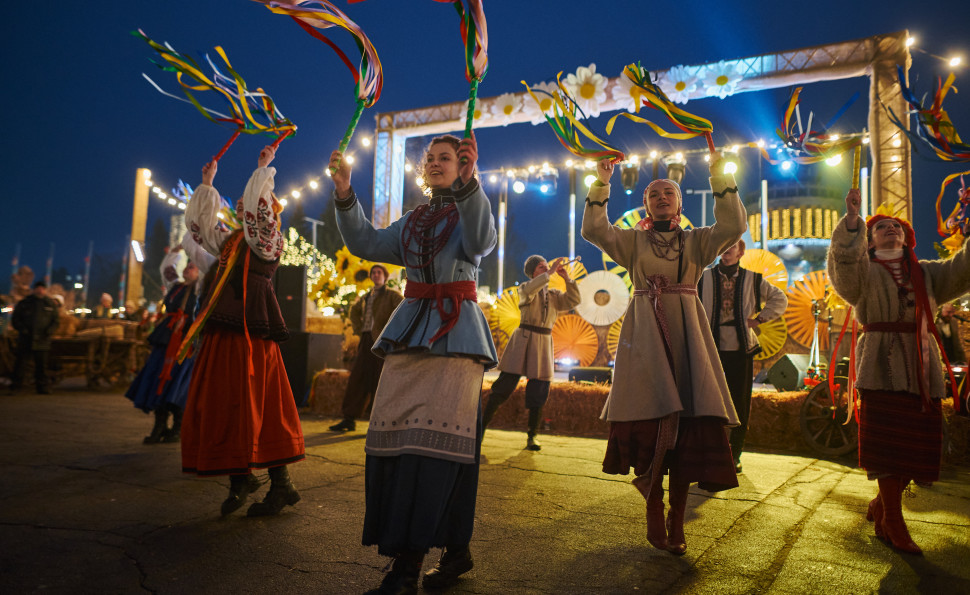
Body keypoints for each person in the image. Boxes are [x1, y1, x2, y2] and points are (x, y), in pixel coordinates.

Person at [329, 132, 497, 594]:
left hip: (457, 337)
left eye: (448, 157)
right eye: (432, 158)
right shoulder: (412, 221)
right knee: (396, 444)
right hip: (407, 336)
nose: (437, 163)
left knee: (439, 451)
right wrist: (344, 191)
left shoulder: (473, 209)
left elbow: (481, 239)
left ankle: (408, 567)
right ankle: (455, 550)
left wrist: (470, 184)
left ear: (463, 165)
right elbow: (364, 241)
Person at [581, 155, 745, 556]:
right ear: (645, 204)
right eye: (653, 194)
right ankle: (654, 505)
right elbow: (594, 229)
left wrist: (720, 177)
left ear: (680, 203)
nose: (661, 197)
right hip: (645, 337)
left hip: (688, 333)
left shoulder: (698, 241)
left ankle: (677, 515)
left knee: (688, 428)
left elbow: (733, 226)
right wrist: (601, 183)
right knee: (649, 424)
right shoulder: (633, 242)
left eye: (668, 192)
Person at [827, 188, 970, 555]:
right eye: (881, 227)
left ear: (907, 238)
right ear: (870, 241)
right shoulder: (863, 272)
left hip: (922, 366)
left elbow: (964, 268)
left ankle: (882, 504)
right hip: (879, 363)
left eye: (897, 227)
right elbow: (843, 267)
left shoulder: (927, 273)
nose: (891, 229)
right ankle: (893, 518)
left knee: (917, 443)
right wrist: (853, 222)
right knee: (887, 445)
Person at [182, 145, 305, 517]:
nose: (241, 205)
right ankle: (242, 478)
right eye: (238, 203)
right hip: (227, 328)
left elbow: (256, 210)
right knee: (227, 400)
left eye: (247, 203)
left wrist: (264, 169)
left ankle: (279, 483)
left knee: (258, 401)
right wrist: (207, 184)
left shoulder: (269, 238)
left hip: (252, 331)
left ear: (264, 210)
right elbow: (201, 232)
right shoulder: (234, 240)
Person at [698, 239, 788, 473]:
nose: (726, 250)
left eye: (732, 247)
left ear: (740, 252)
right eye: (723, 246)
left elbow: (780, 299)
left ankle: (734, 453)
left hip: (741, 349)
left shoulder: (753, 279)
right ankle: (708, 451)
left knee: (740, 401)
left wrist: (758, 319)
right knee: (709, 400)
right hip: (710, 348)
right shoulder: (703, 278)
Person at [482, 254, 581, 450]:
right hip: (523, 339)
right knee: (503, 387)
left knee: (539, 390)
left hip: (543, 342)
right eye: (541, 267)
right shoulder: (525, 289)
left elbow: (573, 300)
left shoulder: (554, 295)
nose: (546, 269)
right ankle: (480, 428)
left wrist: (567, 279)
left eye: (546, 266)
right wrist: (550, 272)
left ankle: (532, 436)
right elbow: (530, 290)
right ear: (533, 273)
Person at [124, 247, 200, 445]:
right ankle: (159, 426)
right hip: (166, 340)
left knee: (178, 385)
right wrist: (175, 253)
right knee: (158, 380)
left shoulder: (201, 289)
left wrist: (198, 246)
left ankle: (177, 428)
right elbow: (167, 270)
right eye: (187, 266)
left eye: (193, 267)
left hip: (184, 344)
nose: (188, 268)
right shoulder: (176, 286)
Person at [330, 264, 404, 432]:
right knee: (357, 378)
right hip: (366, 340)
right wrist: (358, 329)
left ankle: (379, 420)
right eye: (373, 273)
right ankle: (349, 418)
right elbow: (354, 311)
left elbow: (403, 310)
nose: (376, 275)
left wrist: (391, 332)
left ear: (385, 276)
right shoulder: (366, 297)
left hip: (381, 342)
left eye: (379, 272)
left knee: (379, 379)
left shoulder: (391, 295)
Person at [10, 281, 60, 394]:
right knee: (21, 364)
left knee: (41, 366)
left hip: (43, 340)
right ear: (34, 289)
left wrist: (49, 331)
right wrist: (23, 329)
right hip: (26, 339)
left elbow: (55, 321)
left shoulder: (49, 304)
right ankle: (16, 386)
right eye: (38, 288)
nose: (40, 290)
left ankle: (42, 387)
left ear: (45, 290)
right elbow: (15, 319)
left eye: (42, 288)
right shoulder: (24, 303)